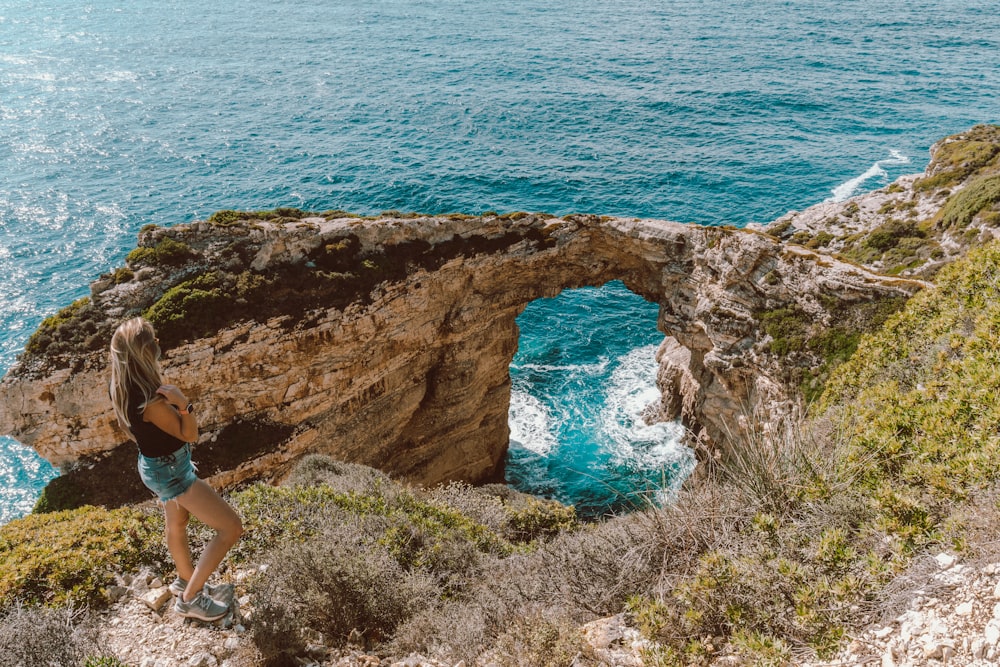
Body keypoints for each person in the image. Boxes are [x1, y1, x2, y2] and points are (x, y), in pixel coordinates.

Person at [109, 317, 243, 622]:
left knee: (177, 524)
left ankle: (187, 581)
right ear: (143, 352)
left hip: (154, 465)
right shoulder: (151, 403)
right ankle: (190, 598)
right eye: (152, 341)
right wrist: (184, 405)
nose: (158, 343)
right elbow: (189, 434)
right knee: (231, 528)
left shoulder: (122, 386)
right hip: (172, 472)